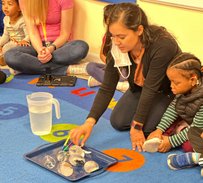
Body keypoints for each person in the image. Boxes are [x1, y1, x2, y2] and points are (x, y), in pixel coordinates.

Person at [69, 3, 181, 151]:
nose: (116, 42)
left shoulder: (163, 46)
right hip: (141, 89)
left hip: (168, 91)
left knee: (146, 129)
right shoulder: (117, 48)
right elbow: (107, 88)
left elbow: (150, 89)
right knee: (118, 121)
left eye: (121, 36)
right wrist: (89, 122)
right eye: (112, 36)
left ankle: (179, 117)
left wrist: (137, 126)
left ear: (139, 30)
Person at [4, 0, 89, 75]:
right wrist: (40, 50)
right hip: (36, 46)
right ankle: (67, 69)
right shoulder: (24, 1)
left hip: (59, 47)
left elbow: (65, 34)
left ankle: (29, 67)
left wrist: (50, 49)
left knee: (81, 47)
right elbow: (32, 32)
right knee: (10, 55)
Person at [144, 53, 203, 154]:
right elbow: (173, 109)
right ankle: (174, 132)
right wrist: (159, 129)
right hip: (188, 120)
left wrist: (171, 142)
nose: (171, 86)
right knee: (161, 128)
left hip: (198, 127)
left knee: (189, 147)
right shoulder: (183, 90)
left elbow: (196, 128)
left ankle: (176, 133)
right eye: (170, 81)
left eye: (176, 82)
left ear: (192, 80)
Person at [86, 3, 129, 92]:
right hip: (111, 66)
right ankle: (114, 84)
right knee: (90, 67)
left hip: (123, 68)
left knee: (123, 74)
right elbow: (102, 54)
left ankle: (102, 80)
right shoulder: (106, 37)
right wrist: (111, 64)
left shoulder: (125, 36)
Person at [0, 0, 29, 66]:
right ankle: (4, 58)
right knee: (6, 46)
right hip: (11, 42)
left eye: (10, 4)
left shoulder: (23, 20)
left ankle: (5, 60)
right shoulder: (6, 19)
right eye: (3, 4)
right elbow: (6, 35)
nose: (5, 7)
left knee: (8, 47)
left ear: (19, 7)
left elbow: (29, 34)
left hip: (22, 45)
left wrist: (24, 40)